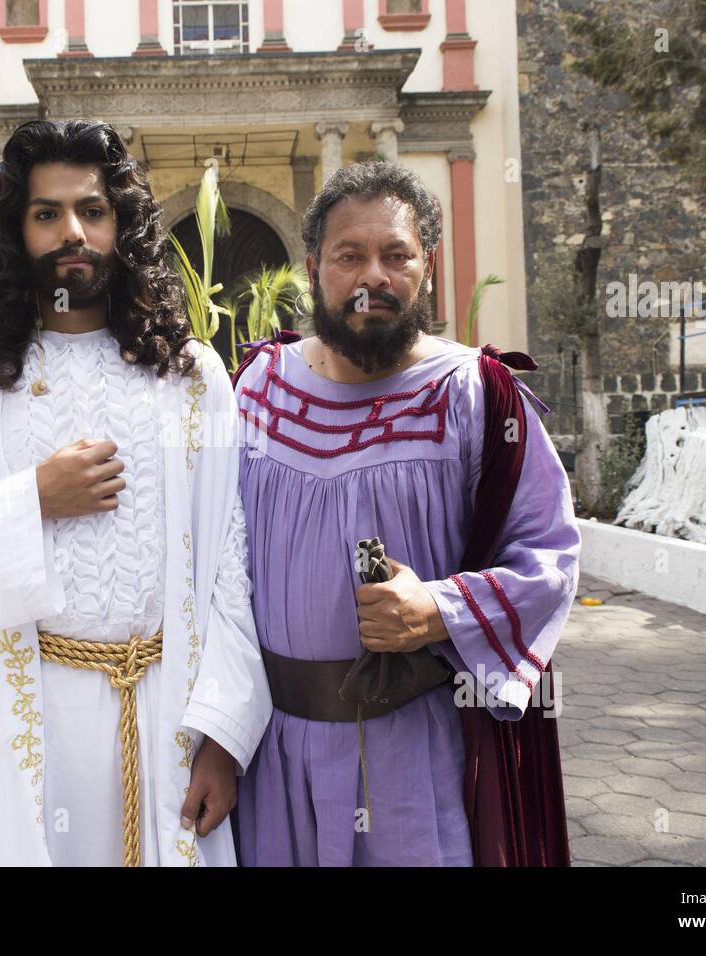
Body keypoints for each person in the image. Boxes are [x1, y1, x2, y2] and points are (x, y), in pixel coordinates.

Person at [0, 120, 271, 867]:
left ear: (124, 225)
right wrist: (31, 501)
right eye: (47, 214)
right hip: (16, 720)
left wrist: (224, 735)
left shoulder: (191, 376)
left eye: (92, 210)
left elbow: (228, 568)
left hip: (167, 713)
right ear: (18, 233)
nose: (72, 232)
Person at [232, 161, 581, 866]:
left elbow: (550, 557)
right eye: (349, 256)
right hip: (266, 753)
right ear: (312, 267)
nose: (373, 278)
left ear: (428, 264)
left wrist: (439, 609)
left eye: (397, 255)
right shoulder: (256, 391)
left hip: (411, 757)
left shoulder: (477, 396)